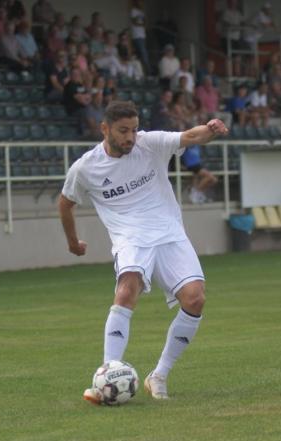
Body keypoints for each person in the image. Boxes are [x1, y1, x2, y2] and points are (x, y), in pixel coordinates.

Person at [58, 101, 229, 403]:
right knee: (126, 290)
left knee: (195, 298)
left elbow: (189, 136)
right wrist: (73, 241)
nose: (130, 137)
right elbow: (65, 202)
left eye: (134, 129)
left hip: (169, 233)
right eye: (123, 131)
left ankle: (159, 375)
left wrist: (211, 129)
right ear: (105, 129)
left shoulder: (149, 145)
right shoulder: (86, 167)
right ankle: (107, 375)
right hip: (130, 238)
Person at [129, 0, 150, 73]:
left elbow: (145, 22)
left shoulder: (142, 11)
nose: (141, 3)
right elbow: (134, 22)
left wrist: (142, 23)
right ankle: (148, 71)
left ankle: (142, 71)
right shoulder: (133, 10)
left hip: (143, 35)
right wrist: (142, 24)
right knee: (143, 53)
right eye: (139, 1)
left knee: (141, 54)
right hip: (137, 36)